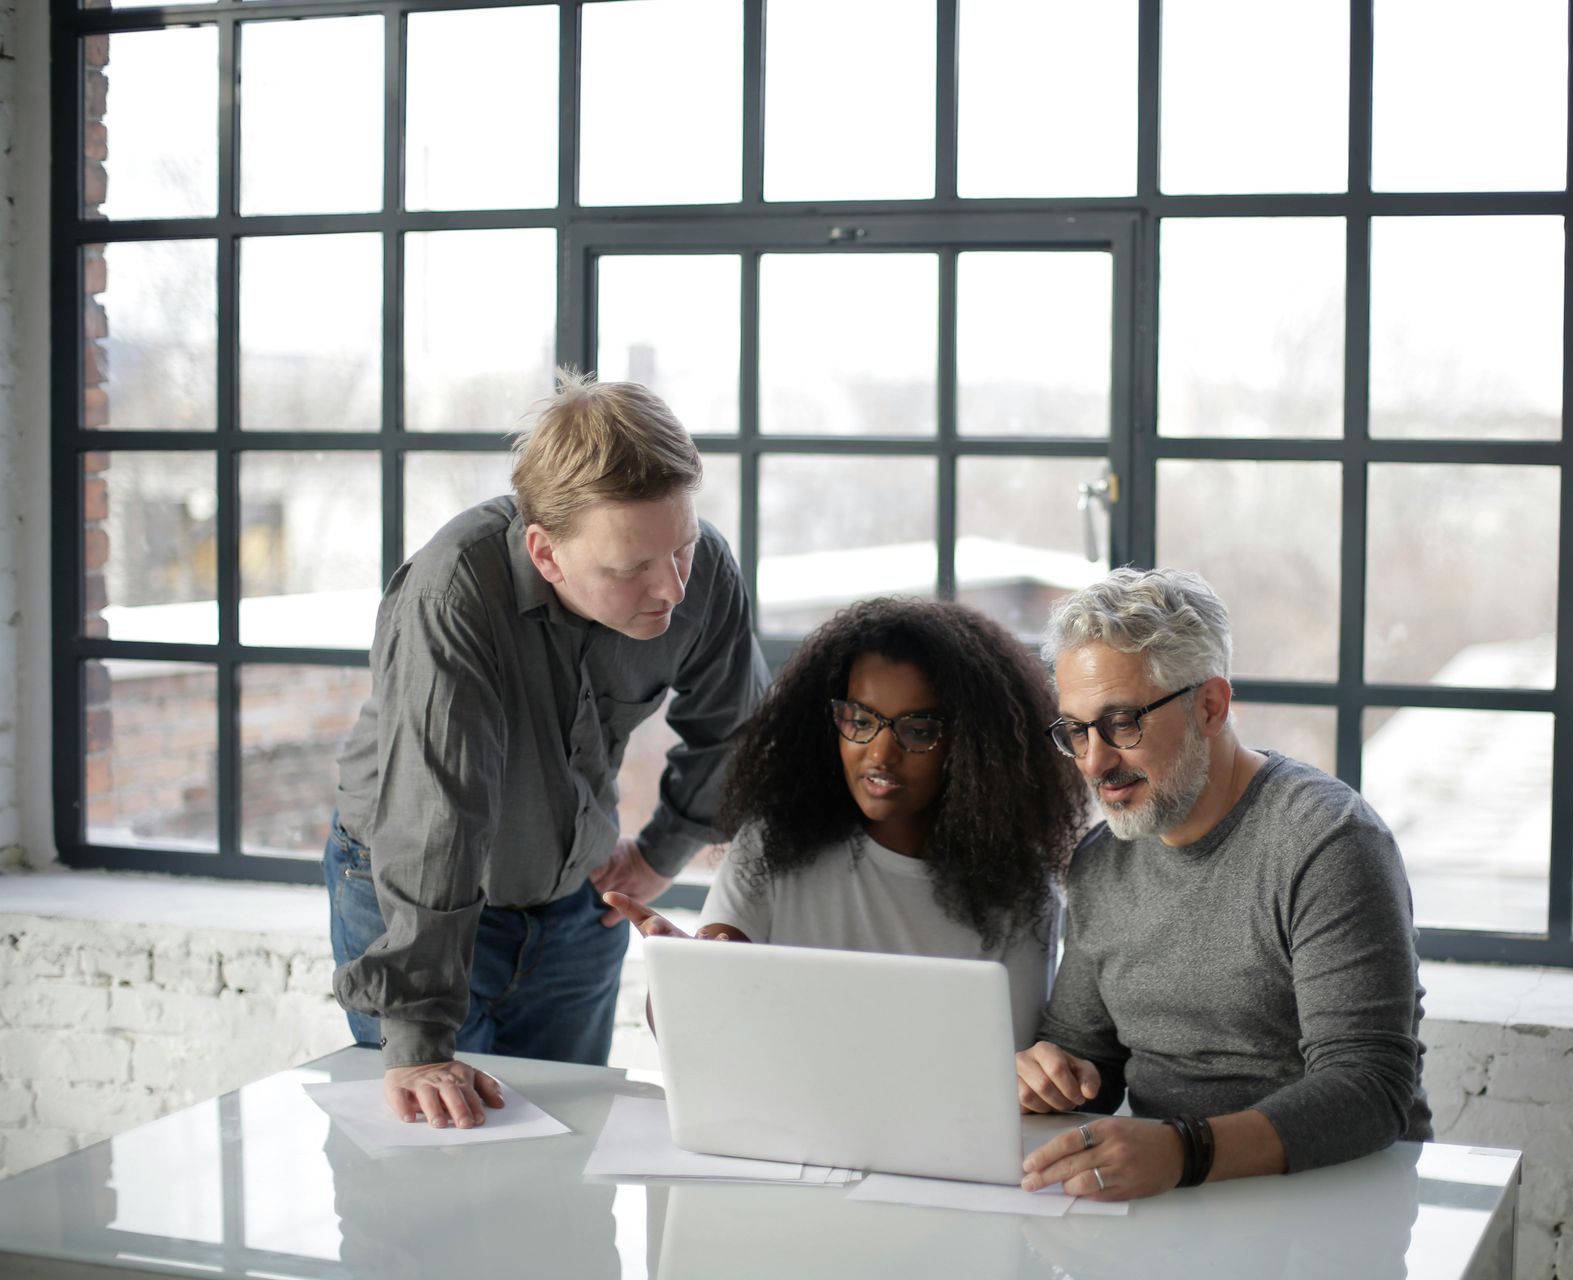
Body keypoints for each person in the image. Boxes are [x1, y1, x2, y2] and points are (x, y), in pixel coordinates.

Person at [325, 373, 767, 1130]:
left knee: (569, 1166)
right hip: (415, 898)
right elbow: (438, 817)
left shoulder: (697, 569)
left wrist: (665, 850)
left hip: (575, 906)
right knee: (441, 1172)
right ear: (547, 552)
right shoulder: (453, 592)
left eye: (683, 548)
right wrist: (420, 1039)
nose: (670, 587)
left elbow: (737, 729)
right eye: (630, 568)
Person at [1016, 568, 1430, 1202]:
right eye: (1076, 730)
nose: (1094, 762)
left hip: (1341, 1196)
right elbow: (1086, 1060)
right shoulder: (1101, 862)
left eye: (1123, 723)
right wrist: (1051, 1076)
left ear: (1210, 705)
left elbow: (1369, 1087)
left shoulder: (1327, 842)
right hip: (1177, 1195)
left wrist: (1185, 1149)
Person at [606, 597, 1080, 1046]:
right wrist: (682, 976)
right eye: (859, 720)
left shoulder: (1020, 889)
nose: (879, 754)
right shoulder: (770, 846)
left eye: (917, 731)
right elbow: (697, 1027)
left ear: (976, 748)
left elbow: (1012, 1070)